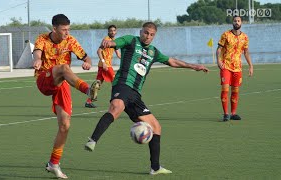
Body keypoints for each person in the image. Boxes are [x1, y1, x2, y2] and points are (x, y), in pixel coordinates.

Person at [84, 22, 209, 175]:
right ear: (141, 31)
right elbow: (115, 43)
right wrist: (109, 43)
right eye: (145, 33)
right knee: (116, 108)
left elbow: (172, 61)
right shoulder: (131, 40)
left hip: (136, 94)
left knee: (156, 127)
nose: (148, 36)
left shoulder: (154, 52)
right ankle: (93, 140)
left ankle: (155, 167)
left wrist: (193, 66)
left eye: (151, 34)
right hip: (123, 85)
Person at [32, 14, 100, 179]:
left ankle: (53, 163)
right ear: (54, 28)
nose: (66, 33)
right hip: (45, 79)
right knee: (62, 68)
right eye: (64, 30)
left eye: (68, 29)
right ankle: (87, 91)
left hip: (62, 84)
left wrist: (88, 63)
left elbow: (86, 57)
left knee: (65, 125)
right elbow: (37, 53)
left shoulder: (70, 41)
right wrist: (38, 61)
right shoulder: (42, 39)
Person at [216, 16, 253, 121]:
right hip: (226, 66)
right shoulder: (226, 35)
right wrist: (218, 61)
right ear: (232, 22)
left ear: (241, 23)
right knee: (225, 89)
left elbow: (246, 52)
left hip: (237, 68)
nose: (236, 22)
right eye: (235, 21)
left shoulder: (245, 37)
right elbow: (219, 49)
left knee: (235, 91)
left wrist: (251, 66)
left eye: (238, 21)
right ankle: (226, 114)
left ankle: (233, 113)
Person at [85, 25, 121, 108]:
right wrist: (104, 62)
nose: (112, 32)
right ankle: (115, 101)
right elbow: (99, 51)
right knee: (115, 82)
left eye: (114, 30)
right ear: (108, 32)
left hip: (103, 65)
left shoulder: (113, 41)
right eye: (111, 30)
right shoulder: (106, 40)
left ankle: (89, 102)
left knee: (97, 84)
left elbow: (118, 54)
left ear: (116, 31)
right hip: (105, 65)